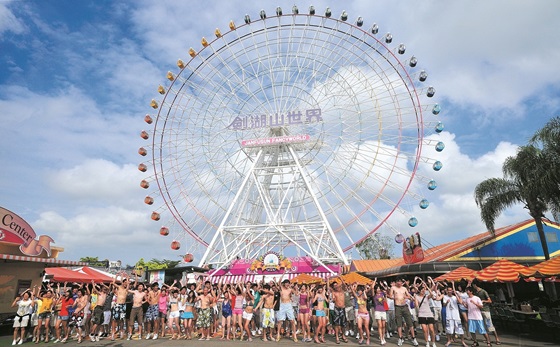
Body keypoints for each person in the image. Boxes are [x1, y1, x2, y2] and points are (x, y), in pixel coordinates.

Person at [389, 278, 419, 346]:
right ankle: (400, 338)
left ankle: (413, 338)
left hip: (404, 306)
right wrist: (394, 297)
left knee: (410, 323)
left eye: (400, 282)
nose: (399, 283)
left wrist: (407, 297)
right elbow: (390, 296)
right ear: (396, 282)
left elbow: (408, 295)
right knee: (399, 324)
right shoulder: (393, 288)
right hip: (397, 306)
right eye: (398, 282)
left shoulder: (404, 288)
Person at [413, 279, 436, 347]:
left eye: (424, 290)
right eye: (422, 290)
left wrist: (427, 287)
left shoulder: (426, 296)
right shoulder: (416, 297)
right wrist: (417, 313)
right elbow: (416, 305)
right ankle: (427, 342)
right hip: (421, 314)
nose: (423, 291)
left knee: (431, 329)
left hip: (429, 314)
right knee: (424, 329)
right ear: (419, 290)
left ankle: (433, 342)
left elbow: (431, 294)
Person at [329, 278, 350, 344]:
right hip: (337, 309)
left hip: (342, 309)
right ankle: (337, 337)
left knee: (343, 324)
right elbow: (333, 299)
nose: (336, 287)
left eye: (337, 285)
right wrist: (333, 299)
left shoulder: (343, 291)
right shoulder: (334, 292)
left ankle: (343, 336)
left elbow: (345, 285)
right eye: (334, 286)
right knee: (336, 324)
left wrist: (341, 279)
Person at [372, 281, 388, 346]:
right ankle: (381, 339)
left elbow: (385, 302)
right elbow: (372, 288)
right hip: (377, 311)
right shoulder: (374, 295)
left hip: (383, 310)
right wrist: (375, 281)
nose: (378, 289)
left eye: (379, 288)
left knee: (384, 325)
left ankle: (383, 337)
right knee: (380, 325)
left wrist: (385, 296)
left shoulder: (382, 294)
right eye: (377, 288)